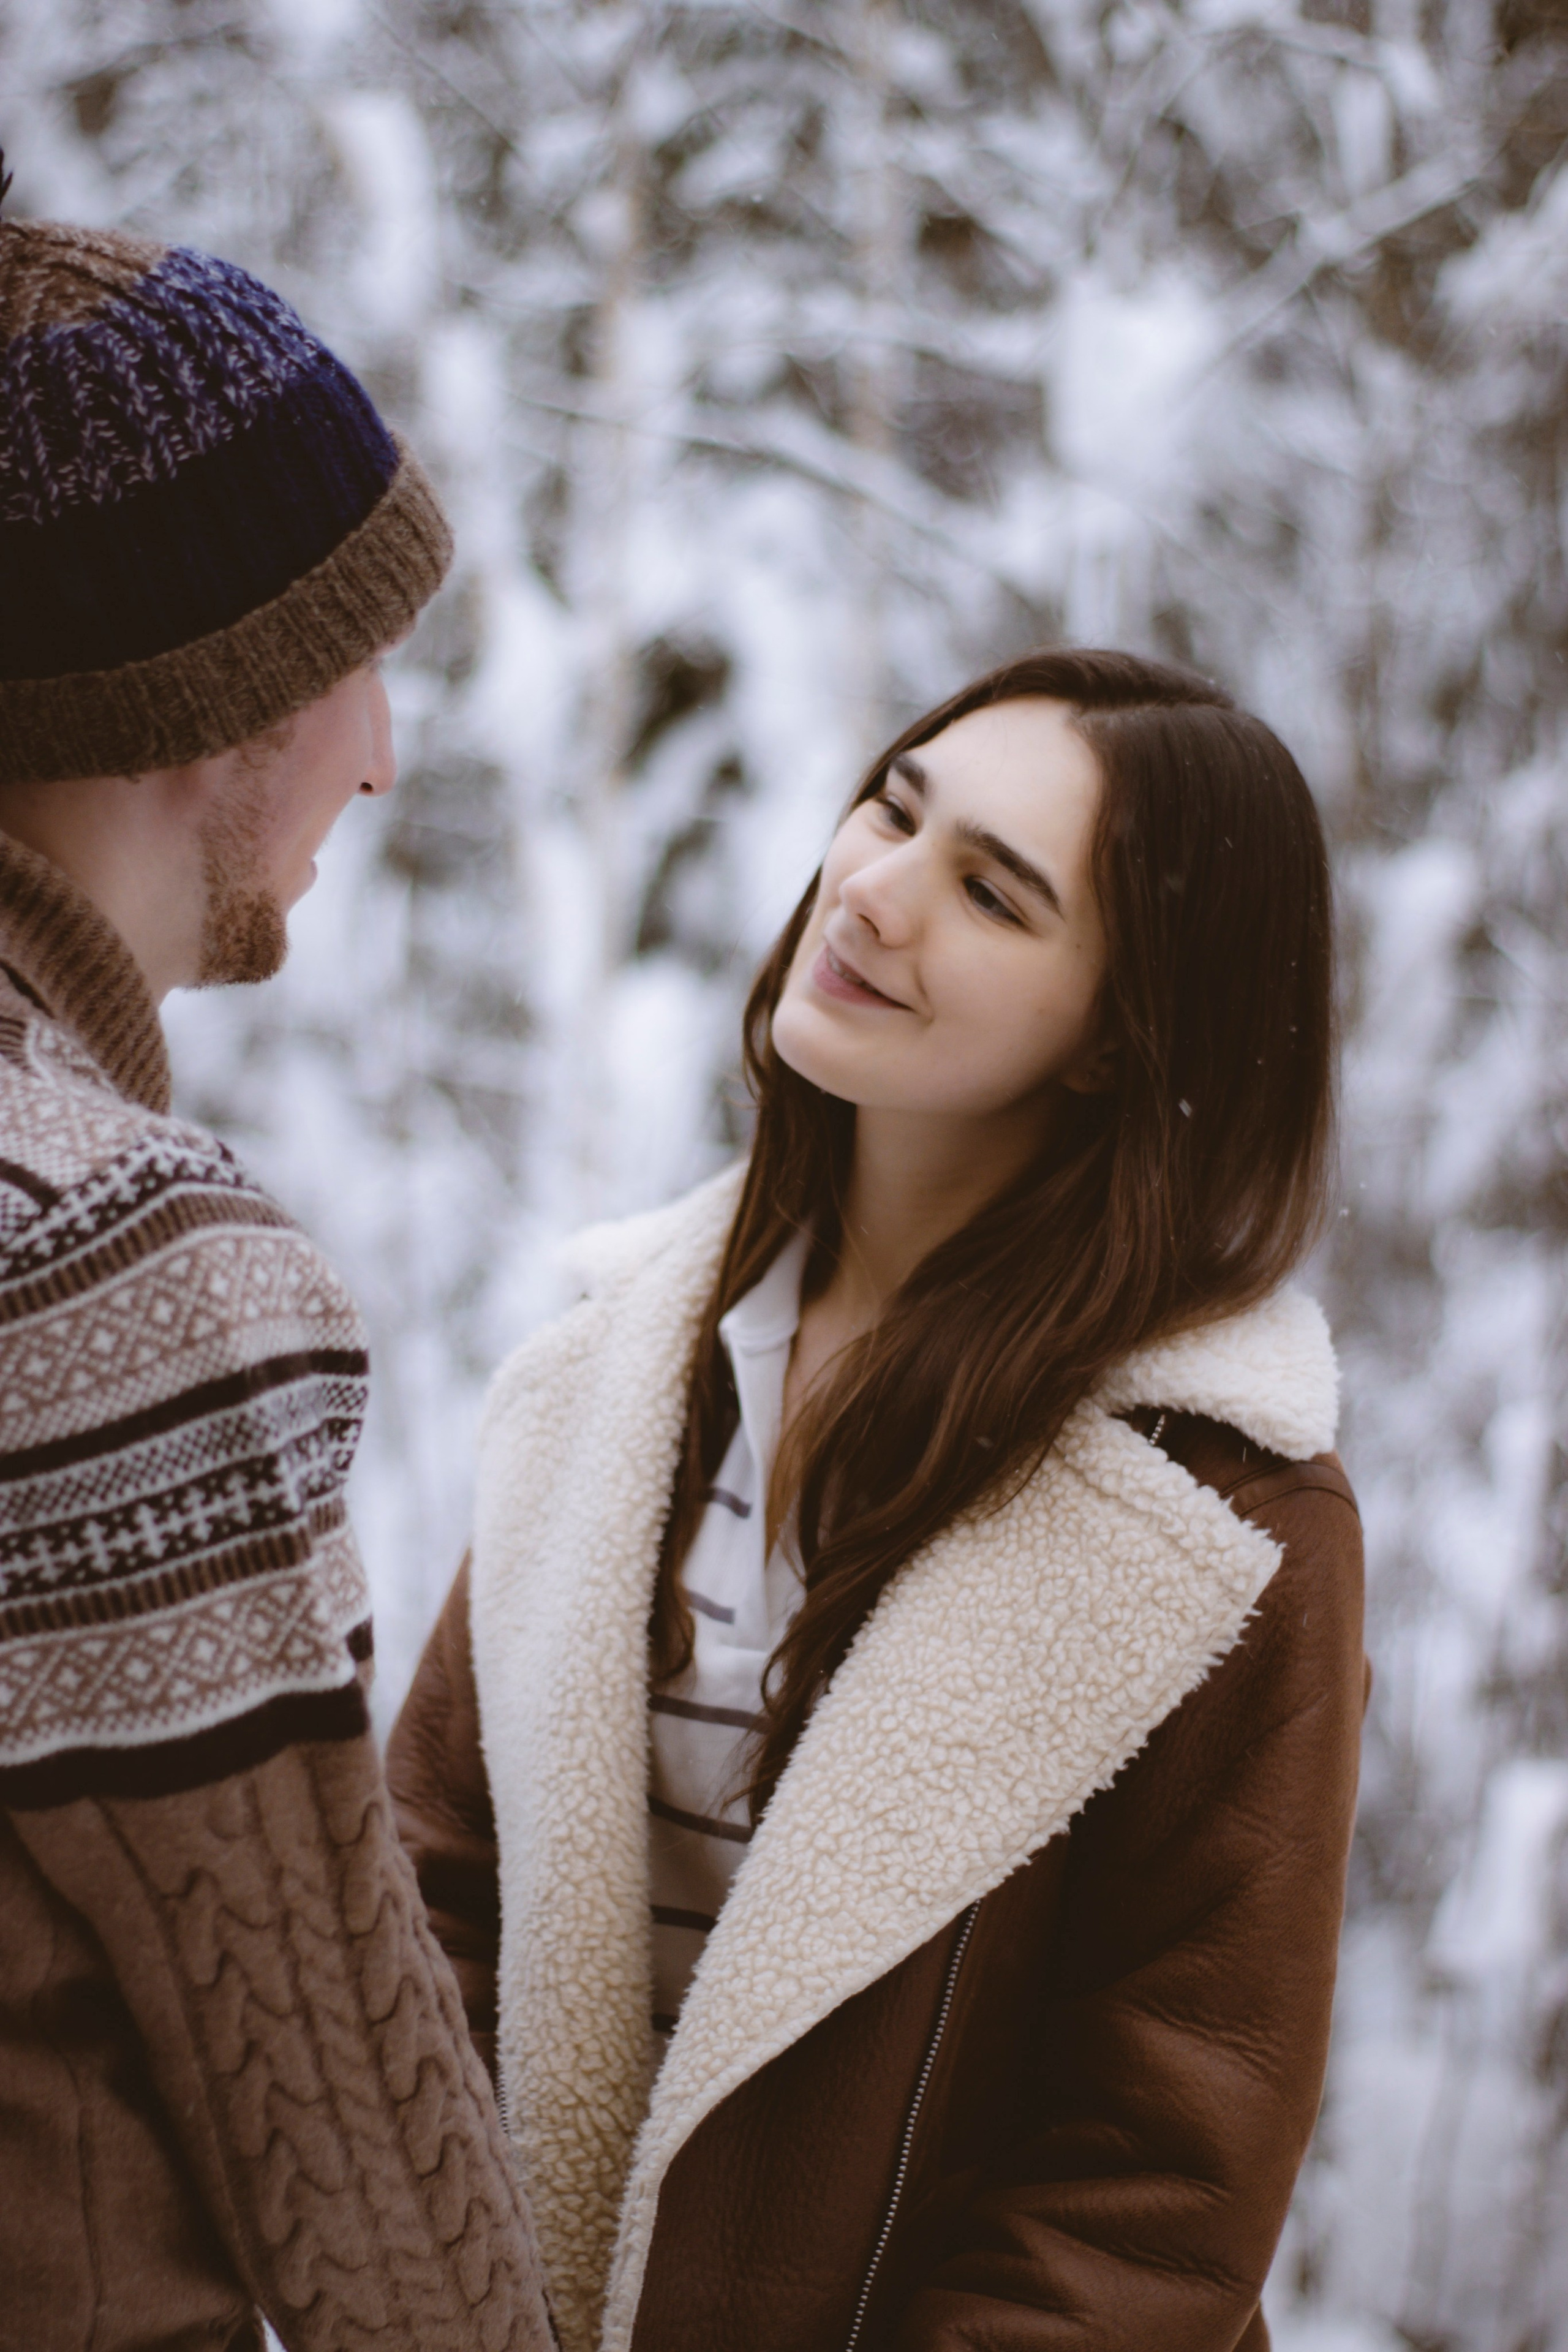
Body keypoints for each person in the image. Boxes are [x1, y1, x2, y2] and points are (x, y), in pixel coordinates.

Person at [390, 648, 1368, 2352]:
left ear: (1120, 1035)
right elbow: (437, 1899)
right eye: (895, 810)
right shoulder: (618, 1370)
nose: (873, 891)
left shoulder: (1221, 1520)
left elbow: (1154, 2186)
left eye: (992, 893)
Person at [0, 200, 552, 2352]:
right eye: (353, 660)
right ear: (200, 697)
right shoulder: (113, 1258)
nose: (384, 749)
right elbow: (347, 2128)